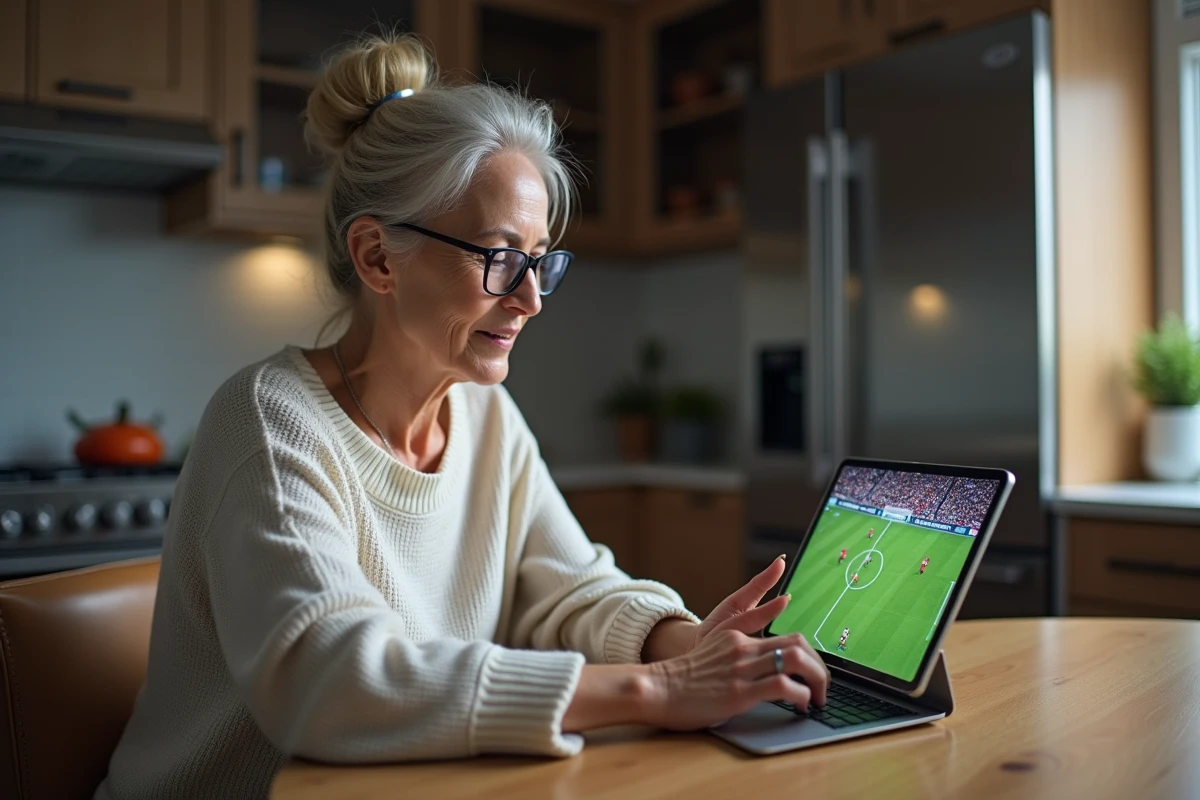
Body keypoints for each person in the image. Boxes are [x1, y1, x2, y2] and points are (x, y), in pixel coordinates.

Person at [95, 35, 829, 798]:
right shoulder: (270, 423)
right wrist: (660, 689)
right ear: (378, 257)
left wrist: (685, 644)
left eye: (541, 259)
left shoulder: (486, 416)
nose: (531, 298)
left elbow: (568, 587)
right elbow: (332, 681)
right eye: (499, 257)